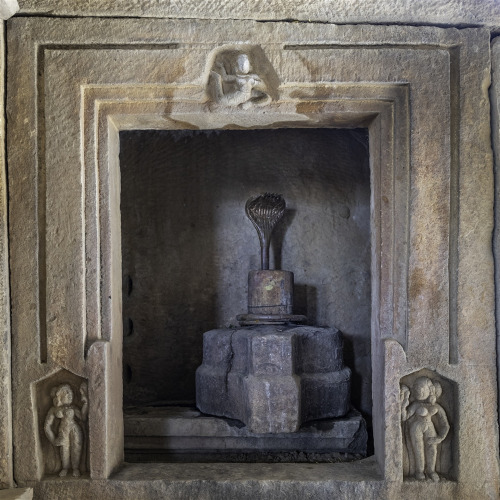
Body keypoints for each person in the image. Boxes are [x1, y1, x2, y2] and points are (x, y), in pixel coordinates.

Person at [400, 376, 450, 481]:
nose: (418, 390)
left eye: (421, 387)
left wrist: (440, 437)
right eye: (416, 387)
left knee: (432, 448)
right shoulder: (416, 405)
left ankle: (431, 471)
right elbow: (404, 417)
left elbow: (445, 424)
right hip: (416, 428)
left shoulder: (436, 407)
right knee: (418, 450)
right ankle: (419, 471)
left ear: (430, 390)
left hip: (429, 427)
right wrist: (404, 403)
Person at [44, 383, 88, 477]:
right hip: (63, 431)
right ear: (60, 395)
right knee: (64, 449)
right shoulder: (54, 409)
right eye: (66, 393)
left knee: (76, 447)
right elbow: (47, 426)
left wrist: (86, 404)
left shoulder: (73, 408)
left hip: (74, 429)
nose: (70, 395)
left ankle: (75, 468)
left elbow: (82, 417)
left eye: (70, 393)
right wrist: (53, 440)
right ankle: (65, 468)